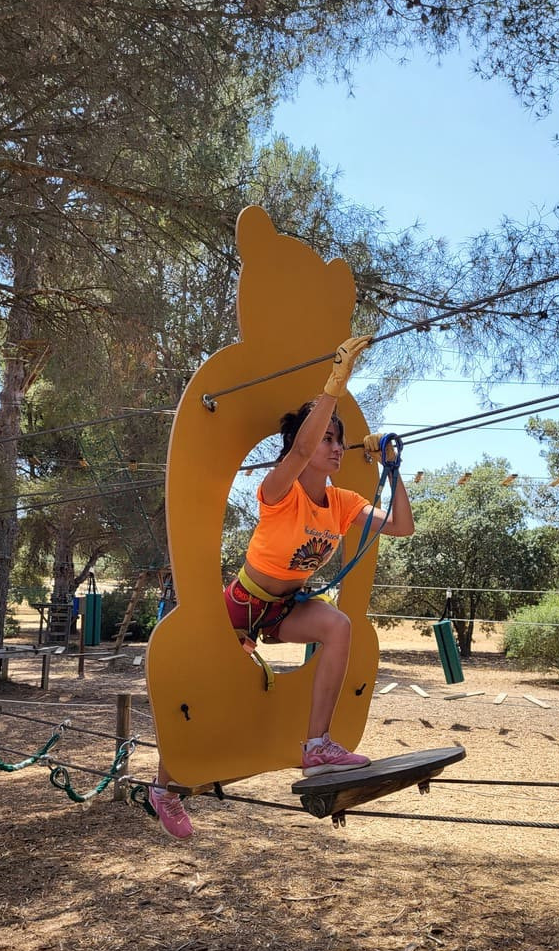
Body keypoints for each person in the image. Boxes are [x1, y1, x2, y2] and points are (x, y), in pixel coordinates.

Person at [150, 335, 415, 839]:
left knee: (337, 626)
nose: (336, 448)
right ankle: (164, 787)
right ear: (306, 445)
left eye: (340, 440)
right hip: (240, 604)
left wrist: (392, 467)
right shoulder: (279, 490)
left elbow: (401, 526)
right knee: (215, 693)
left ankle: (318, 744)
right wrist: (334, 387)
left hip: (284, 607)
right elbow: (296, 449)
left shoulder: (343, 502)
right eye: (328, 440)